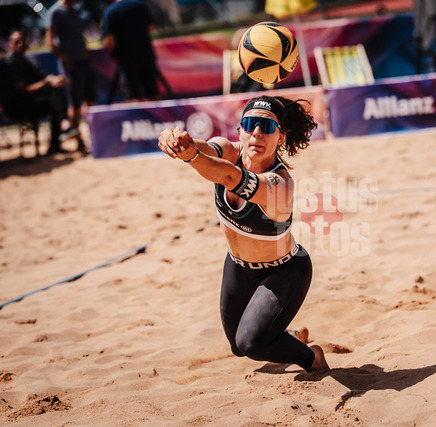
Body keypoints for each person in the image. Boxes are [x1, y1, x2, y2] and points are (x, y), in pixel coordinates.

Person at [157, 95, 330, 373]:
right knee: (237, 347)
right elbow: (203, 148)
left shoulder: (280, 184)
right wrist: (178, 142)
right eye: (250, 124)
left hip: (285, 271)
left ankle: (313, 357)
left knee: (250, 342)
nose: (257, 132)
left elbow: (228, 176)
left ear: (281, 137)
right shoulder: (227, 149)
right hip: (238, 265)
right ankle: (290, 336)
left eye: (267, 127)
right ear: (239, 131)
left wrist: (190, 156)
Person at [0, 29, 71, 155]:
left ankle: (56, 143)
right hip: (16, 106)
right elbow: (24, 90)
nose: (21, 44)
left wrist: (55, 80)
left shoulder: (30, 63)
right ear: (10, 45)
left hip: (32, 103)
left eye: (22, 41)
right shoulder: (7, 64)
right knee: (53, 95)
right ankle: (64, 123)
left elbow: (43, 79)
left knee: (55, 93)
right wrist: (47, 81)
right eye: (17, 42)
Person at [46, 0, 96, 152]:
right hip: (71, 64)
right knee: (75, 103)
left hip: (84, 61)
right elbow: (50, 41)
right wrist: (64, 59)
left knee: (90, 100)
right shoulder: (55, 12)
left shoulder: (74, 10)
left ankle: (95, 139)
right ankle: (78, 140)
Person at [101, 0, 163, 102]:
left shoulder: (110, 12)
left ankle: (137, 111)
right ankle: (158, 111)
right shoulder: (139, 5)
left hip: (126, 59)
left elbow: (109, 40)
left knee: (133, 96)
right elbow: (150, 27)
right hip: (146, 54)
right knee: (153, 93)